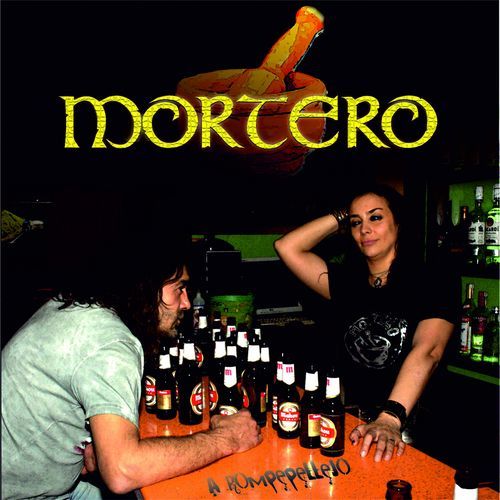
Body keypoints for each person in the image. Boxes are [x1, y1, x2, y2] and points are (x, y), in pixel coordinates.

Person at [2, 232, 262, 499]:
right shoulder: (111, 343)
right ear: (145, 288)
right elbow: (123, 471)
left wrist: (93, 441)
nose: (186, 303)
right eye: (179, 288)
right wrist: (225, 439)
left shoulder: (74, 306)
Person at [274, 183, 458, 463]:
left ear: (398, 223)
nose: (365, 230)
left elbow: (428, 351)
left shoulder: (431, 280)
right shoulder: (346, 283)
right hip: (356, 424)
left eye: (376, 217)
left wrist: (391, 417)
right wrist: (342, 216)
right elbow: (287, 246)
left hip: (410, 426)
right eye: (356, 223)